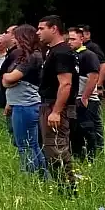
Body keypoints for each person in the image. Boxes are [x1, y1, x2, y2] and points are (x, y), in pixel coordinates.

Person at [37, 15, 79, 194]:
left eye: (41, 28)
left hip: (56, 106)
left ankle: (68, 190)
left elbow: (66, 84)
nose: (38, 32)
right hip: (51, 104)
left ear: (54, 29)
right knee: (51, 146)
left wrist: (56, 111)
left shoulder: (61, 52)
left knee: (56, 148)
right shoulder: (53, 51)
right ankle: (62, 185)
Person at [2, 25, 47, 178]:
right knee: (33, 143)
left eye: (17, 37)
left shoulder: (31, 57)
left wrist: (7, 79)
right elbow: (7, 80)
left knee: (25, 144)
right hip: (23, 103)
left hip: (25, 105)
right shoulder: (28, 55)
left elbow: (10, 77)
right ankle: (42, 175)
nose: (14, 39)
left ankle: (29, 175)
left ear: (24, 38)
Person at [68, 27, 103, 161]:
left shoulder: (88, 55)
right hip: (73, 99)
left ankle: (91, 156)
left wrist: (85, 97)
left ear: (81, 39)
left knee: (88, 127)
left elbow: (93, 77)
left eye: (73, 39)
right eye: (68, 39)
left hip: (87, 99)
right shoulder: (71, 55)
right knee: (75, 129)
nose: (70, 42)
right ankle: (78, 155)